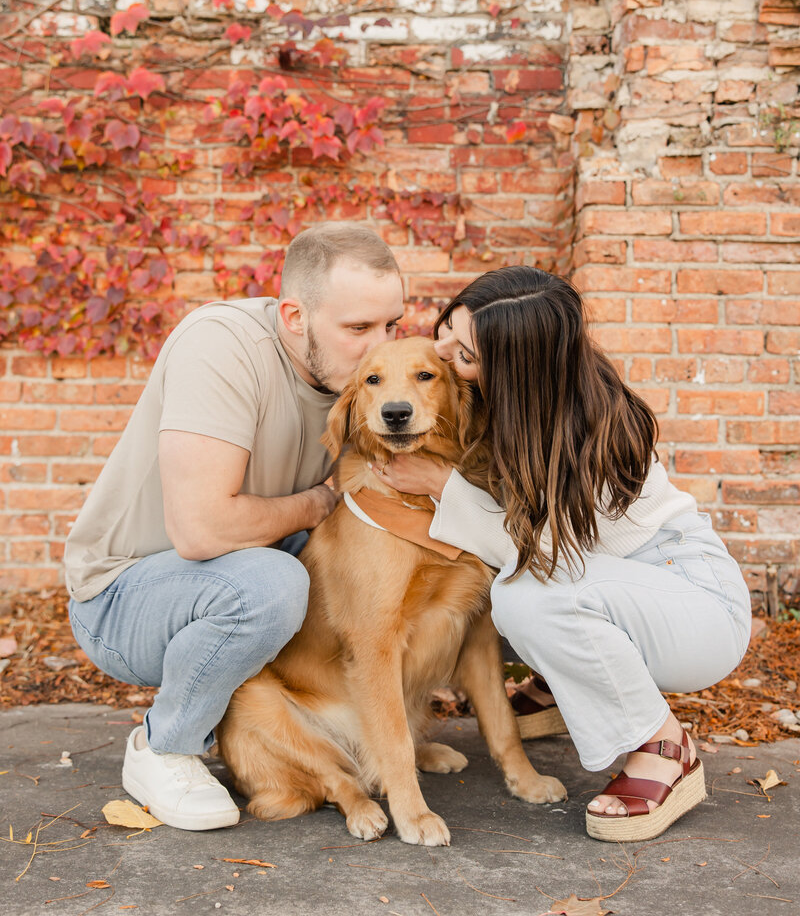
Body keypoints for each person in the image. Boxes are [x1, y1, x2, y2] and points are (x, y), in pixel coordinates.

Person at [371, 266, 751, 843]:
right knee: (499, 593)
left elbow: (539, 556)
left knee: (524, 596)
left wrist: (441, 485)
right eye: (445, 331)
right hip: (616, 588)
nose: (442, 355)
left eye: (464, 355)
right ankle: (558, 686)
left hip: (693, 606)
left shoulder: (592, 433)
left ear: (515, 369)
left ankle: (664, 748)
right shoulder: (508, 405)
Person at [65, 223, 404, 831]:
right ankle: (165, 746)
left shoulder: (357, 379)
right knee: (272, 584)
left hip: (248, 562)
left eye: (391, 326)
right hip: (122, 598)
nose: (379, 348)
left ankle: (324, 736)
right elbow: (201, 530)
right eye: (359, 329)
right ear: (295, 317)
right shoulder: (220, 345)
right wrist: (317, 503)